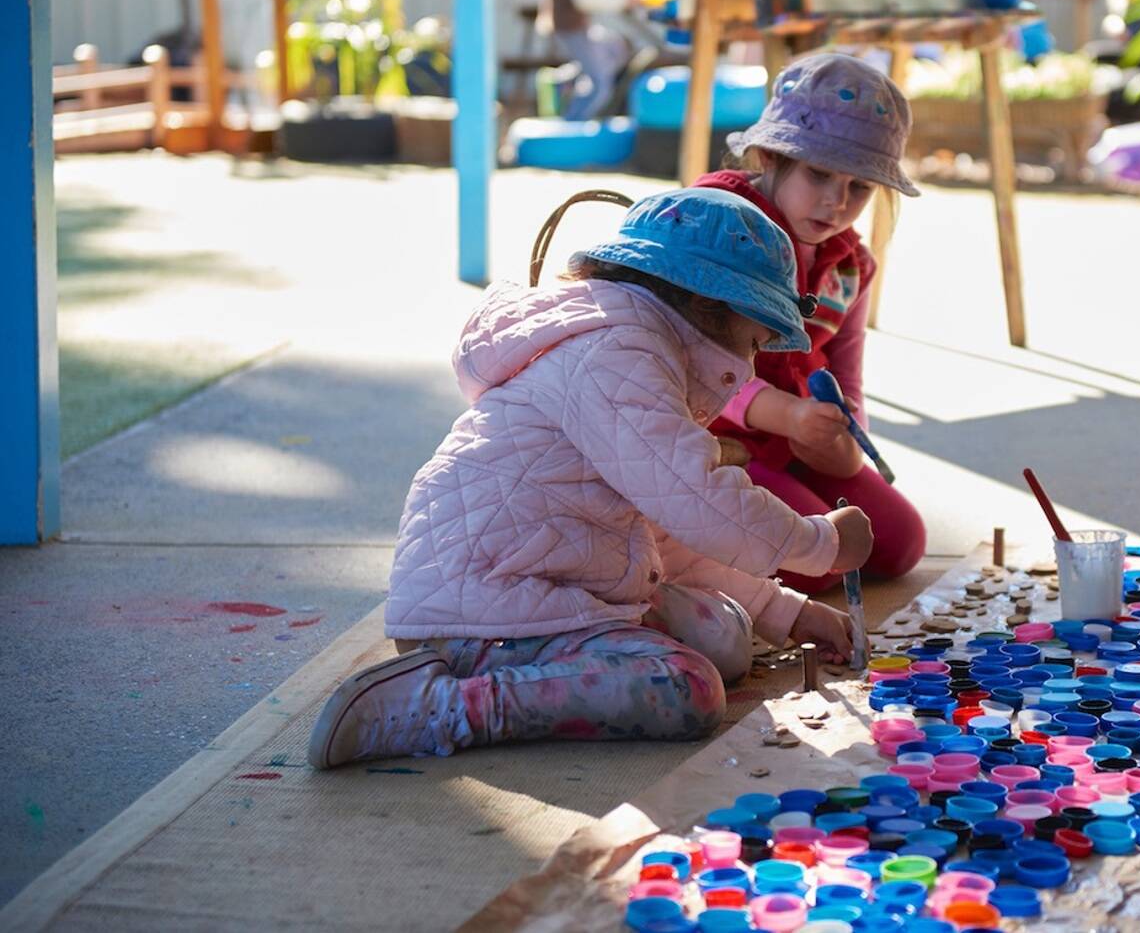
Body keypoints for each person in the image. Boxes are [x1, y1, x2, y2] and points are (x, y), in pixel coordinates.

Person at [307, 188, 874, 768]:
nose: (750, 365)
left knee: (724, 636)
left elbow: (665, 532)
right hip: (485, 616)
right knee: (688, 687)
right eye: (755, 340)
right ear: (713, 304)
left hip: (546, 579)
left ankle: (499, 671)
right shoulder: (618, 352)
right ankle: (441, 705)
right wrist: (821, 542)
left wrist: (787, 611)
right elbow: (698, 500)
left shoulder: (627, 342)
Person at [693, 52, 927, 595]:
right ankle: (695, 545)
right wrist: (786, 415)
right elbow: (691, 361)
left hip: (794, 441)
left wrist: (845, 440)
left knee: (899, 542)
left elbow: (845, 374)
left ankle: (782, 504)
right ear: (772, 157)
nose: (836, 202)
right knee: (817, 564)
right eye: (819, 174)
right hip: (711, 448)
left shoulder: (850, 263)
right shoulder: (719, 222)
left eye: (860, 187)